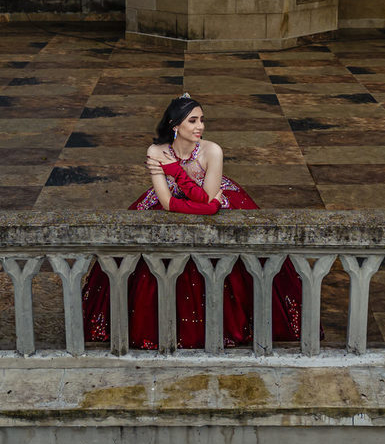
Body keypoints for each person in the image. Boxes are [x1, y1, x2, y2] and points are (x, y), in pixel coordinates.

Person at [82, 93, 304, 349]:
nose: (200, 126)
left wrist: (176, 173)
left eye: (202, 120)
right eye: (192, 121)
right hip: (171, 205)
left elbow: (206, 198)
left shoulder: (212, 151)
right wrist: (206, 205)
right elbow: (167, 203)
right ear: (175, 125)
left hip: (210, 200)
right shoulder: (156, 151)